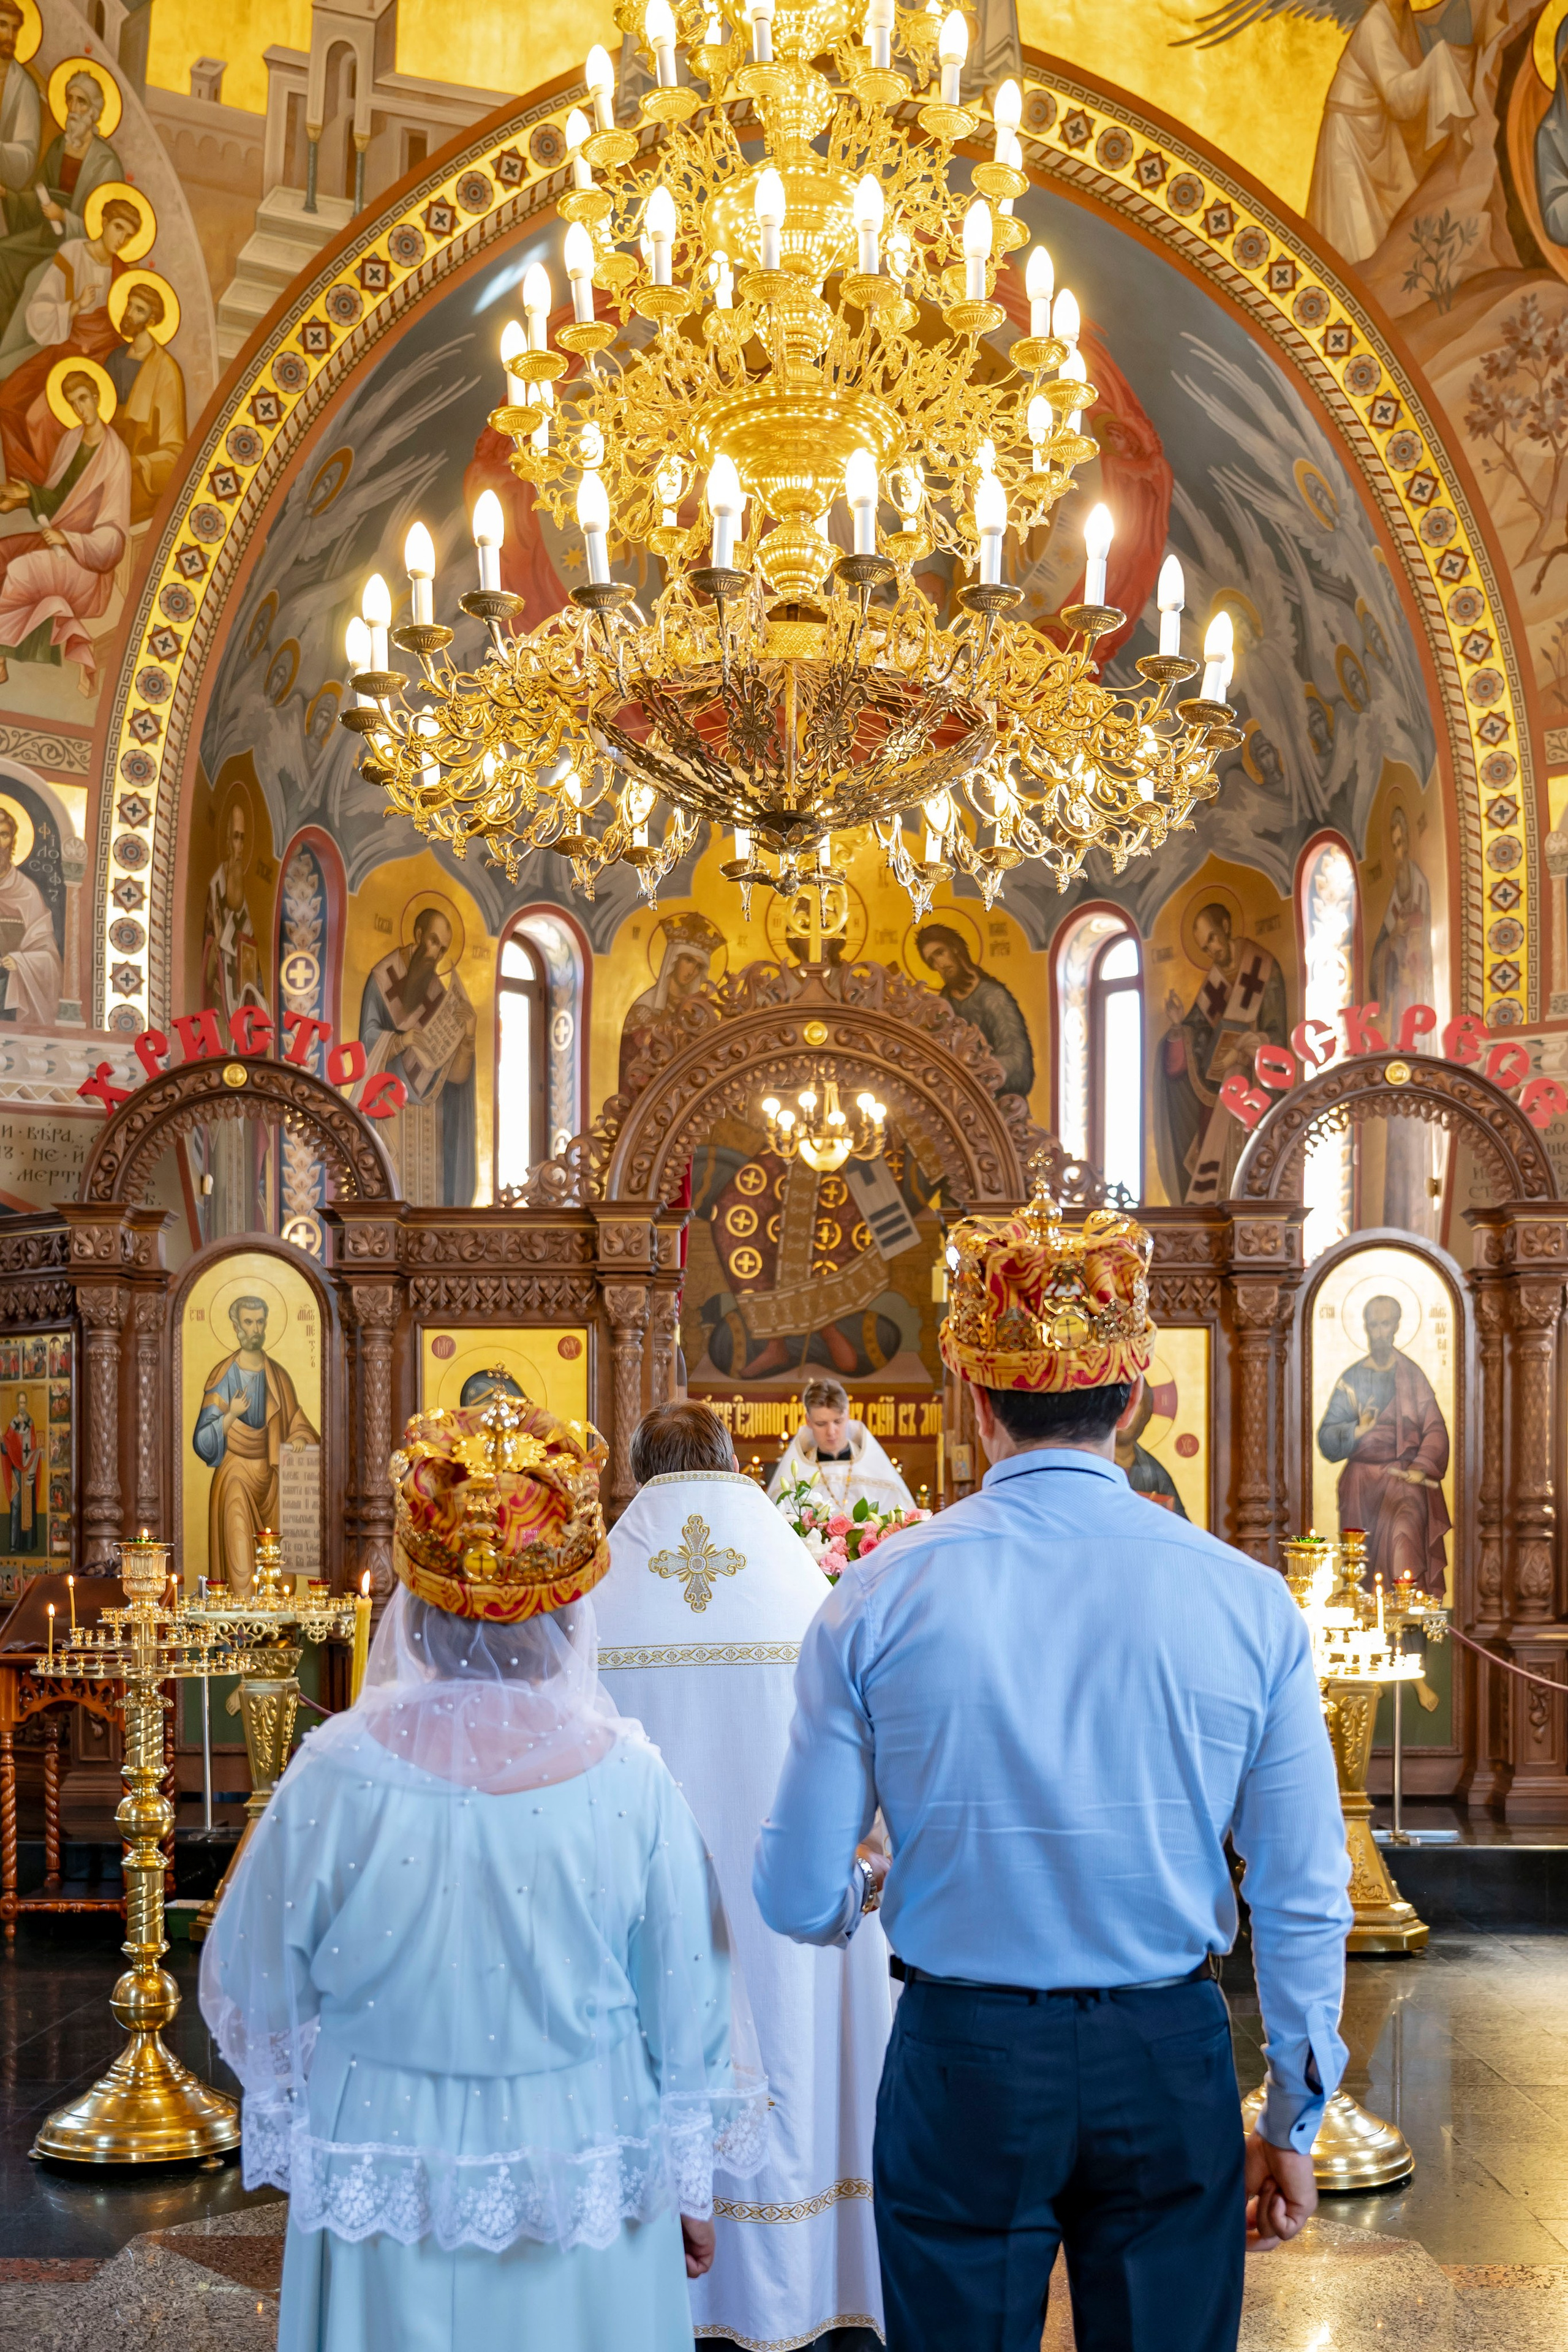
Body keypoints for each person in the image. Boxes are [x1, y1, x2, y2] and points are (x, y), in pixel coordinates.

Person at [755, 1180, 1352, 2352]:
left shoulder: (874, 1596)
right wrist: (1293, 2115)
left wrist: (867, 1885)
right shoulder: (1246, 1601)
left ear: (977, 1401)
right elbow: (1301, 1890)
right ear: (1132, 1397)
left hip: (961, 2054)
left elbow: (792, 1894)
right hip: (1168, 2050)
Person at [202, 1393, 767, 2351]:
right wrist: (688, 2188)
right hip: (585, 2160)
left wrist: (333, 2080)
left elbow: (253, 1986)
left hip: (380, 2161)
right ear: (570, 1615)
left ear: (416, 1615)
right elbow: (689, 2015)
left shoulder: (332, 1772)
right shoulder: (634, 1782)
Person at [598, 1401, 891, 2352]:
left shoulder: (595, 1596)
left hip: (641, 1918)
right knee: (797, 2039)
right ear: (734, 1463)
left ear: (638, 1473)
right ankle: (804, 2276)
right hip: (787, 1907)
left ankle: (664, 2273)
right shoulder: (803, 1588)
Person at [0, 360, 129, 687]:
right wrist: (26, 495)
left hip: (87, 564)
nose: (80, 409)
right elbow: (58, 501)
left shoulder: (116, 455)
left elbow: (114, 539)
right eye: (73, 403)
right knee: (3, 553)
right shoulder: (72, 440)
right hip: (55, 540)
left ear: (97, 397)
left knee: (20, 571)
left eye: (84, 398)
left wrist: (69, 540)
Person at [1317, 1292, 1450, 1598]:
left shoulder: (1412, 1376)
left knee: (1404, 1544)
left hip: (1403, 1479)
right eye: (1373, 1325)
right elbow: (1327, 1438)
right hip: (1360, 1484)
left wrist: (1421, 1467)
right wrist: (1357, 1429)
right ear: (1365, 1327)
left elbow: (1435, 1428)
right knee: (1362, 1567)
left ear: (1396, 1326)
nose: (1379, 1333)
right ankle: (1367, 1623)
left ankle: (1408, 1621)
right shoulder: (1351, 1379)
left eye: (1385, 1324)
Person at [1154, 899, 1287, 1206]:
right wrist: (1178, 1026)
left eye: (1213, 939)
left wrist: (1241, 1055)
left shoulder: (1262, 968)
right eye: (1205, 948)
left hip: (1254, 1092)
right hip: (1220, 1098)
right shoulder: (1213, 983)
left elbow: (1278, 1037)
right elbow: (1198, 1037)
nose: (1212, 950)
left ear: (1226, 927)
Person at [192, 1295, 320, 1597]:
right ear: (236, 1327)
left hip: (272, 1475)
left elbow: (296, 1420)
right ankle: (239, 1624)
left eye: (260, 1322)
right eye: (248, 1322)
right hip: (235, 1473)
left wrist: (300, 1438)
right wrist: (231, 1415)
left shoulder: (278, 1376)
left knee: (279, 1568)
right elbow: (203, 1440)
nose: (255, 1329)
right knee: (240, 1563)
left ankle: (278, 1622)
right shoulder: (223, 1376)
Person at [358, 905, 478, 1207]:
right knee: (393, 1192)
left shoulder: (438, 993)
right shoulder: (383, 978)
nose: (437, 953)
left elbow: (455, 1077)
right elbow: (366, 1041)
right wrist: (402, 1041)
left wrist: (468, 1037)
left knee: (429, 1200)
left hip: (429, 1118)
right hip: (391, 1106)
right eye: (434, 942)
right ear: (418, 934)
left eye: (443, 949)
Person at [913, 924, 1035, 1098]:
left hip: (997, 1102)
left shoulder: (993, 997)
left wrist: (976, 1069)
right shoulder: (943, 1004)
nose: (940, 964)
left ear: (955, 948)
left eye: (940, 953)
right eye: (932, 962)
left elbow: (1018, 1060)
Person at [769, 1375, 913, 1517]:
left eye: (838, 1421)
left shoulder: (875, 1469)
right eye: (821, 1424)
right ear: (808, 1421)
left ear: (848, 1416)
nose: (831, 1432)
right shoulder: (797, 1475)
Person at [105, 276, 185, 521]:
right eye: (129, 305)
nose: (129, 313)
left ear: (151, 321)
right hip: (107, 453)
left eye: (139, 310)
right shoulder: (116, 357)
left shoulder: (165, 369)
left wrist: (138, 463)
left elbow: (174, 449)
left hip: (136, 472)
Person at [0, 802, 60, 1023]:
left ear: (13, 841)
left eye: (3, 835)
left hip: (8, 994)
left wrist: (21, 962)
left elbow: (49, 957)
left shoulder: (27, 892)